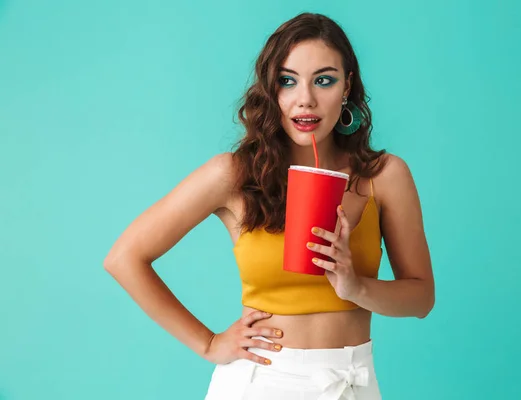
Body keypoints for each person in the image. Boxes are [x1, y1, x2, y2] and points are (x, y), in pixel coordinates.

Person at [104, 12, 435, 400]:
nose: (305, 99)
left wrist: (355, 286)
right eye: (287, 81)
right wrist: (209, 343)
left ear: (347, 86)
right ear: (271, 89)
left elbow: (421, 297)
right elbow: (124, 258)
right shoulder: (233, 175)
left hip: (353, 382)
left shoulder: (384, 175)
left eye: (324, 80)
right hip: (260, 383)